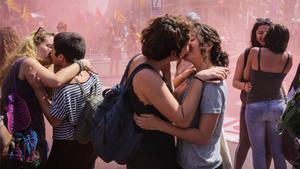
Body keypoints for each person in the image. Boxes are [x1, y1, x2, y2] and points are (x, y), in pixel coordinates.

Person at [123, 15, 228, 169]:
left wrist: (160, 125)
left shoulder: (212, 84)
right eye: (186, 41)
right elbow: (171, 103)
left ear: (209, 45)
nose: (186, 45)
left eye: (191, 39)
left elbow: (203, 136)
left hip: (202, 165)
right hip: (180, 161)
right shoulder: (194, 76)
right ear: (172, 51)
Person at [0, 28, 90, 169]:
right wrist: (81, 64)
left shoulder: (27, 64)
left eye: (54, 48)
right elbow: (56, 81)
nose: (52, 51)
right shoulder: (27, 62)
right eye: (49, 46)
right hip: (22, 143)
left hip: (26, 141)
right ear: (35, 44)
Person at [29, 32, 102, 169]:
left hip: (68, 147)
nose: (50, 52)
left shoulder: (65, 88)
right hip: (90, 141)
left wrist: (38, 90)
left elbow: (55, 120)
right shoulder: (93, 76)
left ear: (61, 57)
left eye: (53, 49)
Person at [243, 24, 292, 169]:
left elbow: (246, 76)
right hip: (277, 106)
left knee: (258, 151)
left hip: (255, 106)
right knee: (277, 150)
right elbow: (280, 79)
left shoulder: (255, 52)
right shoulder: (289, 57)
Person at [232, 17, 273, 169]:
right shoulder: (246, 54)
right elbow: (235, 81)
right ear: (254, 34)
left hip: (271, 109)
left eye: (267, 32)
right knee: (244, 143)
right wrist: (244, 85)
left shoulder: (276, 54)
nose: (263, 36)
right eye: (260, 32)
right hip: (249, 106)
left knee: (268, 145)